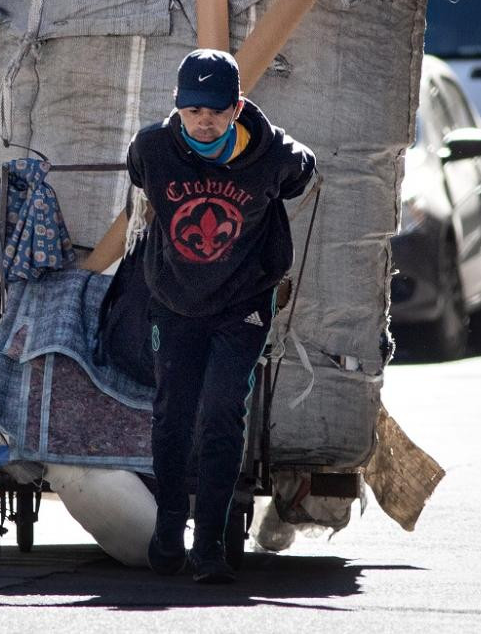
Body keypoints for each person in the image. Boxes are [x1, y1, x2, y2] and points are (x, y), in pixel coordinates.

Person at [89, 48, 315, 583]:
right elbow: (141, 184)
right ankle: (169, 530)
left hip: (242, 305)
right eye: (194, 110)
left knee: (220, 412)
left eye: (215, 109)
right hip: (173, 300)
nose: (204, 120)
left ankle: (209, 544)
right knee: (172, 412)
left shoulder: (275, 155)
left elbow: (304, 171)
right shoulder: (152, 149)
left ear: (237, 107)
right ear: (178, 107)